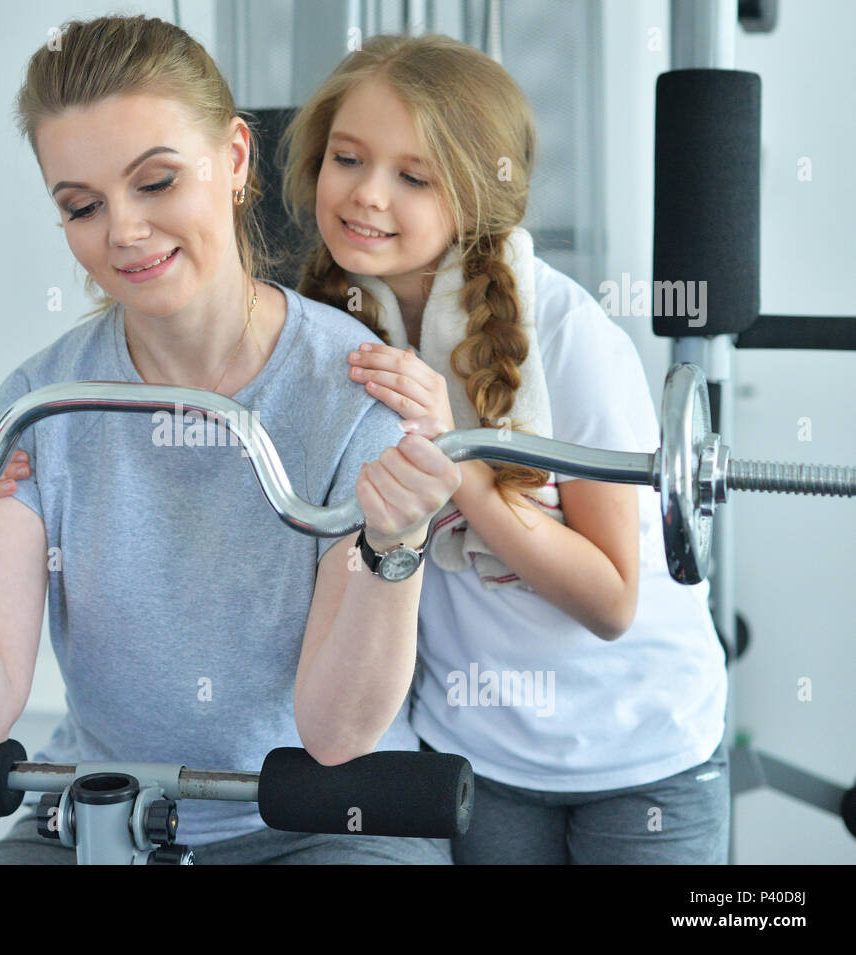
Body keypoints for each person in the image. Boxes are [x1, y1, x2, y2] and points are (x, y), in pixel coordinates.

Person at [0, 14, 461, 865]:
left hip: (324, 822)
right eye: (82, 205)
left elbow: (337, 734)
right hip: (104, 818)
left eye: (156, 183)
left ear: (234, 159)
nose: (121, 230)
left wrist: (395, 543)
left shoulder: (355, 394)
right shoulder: (38, 404)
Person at [280, 33, 729, 864]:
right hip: (478, 752)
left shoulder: (570, 334)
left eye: (414, 177)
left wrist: (462, 472)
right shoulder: (330, 330)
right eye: (349, 158)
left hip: (642, 753)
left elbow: (610, 601)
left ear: (476, 198)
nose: (368, 196)